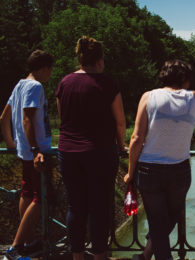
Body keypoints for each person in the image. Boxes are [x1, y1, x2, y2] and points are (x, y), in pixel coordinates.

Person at [124, 59, 195, 260]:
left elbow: (136, 138)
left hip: (148, 170)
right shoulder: (193, 98)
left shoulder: (148, 96)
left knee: (158, 220)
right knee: (169, 216)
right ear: (184, 78)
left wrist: (130, 171)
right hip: (179, 170)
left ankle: (145, 255)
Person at [56, 36, 126, 260]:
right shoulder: (107, 83)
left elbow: (62, 119)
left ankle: (76, 256)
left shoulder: (65, 82)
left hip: (68, 153)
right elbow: (120, 121)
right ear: (99, 61)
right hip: (99, 153)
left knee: (75, 208)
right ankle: (99, 256)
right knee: (100, 207)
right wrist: (121, 146)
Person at [0, 50, 54, 260]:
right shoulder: (35, 86)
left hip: (25, 152)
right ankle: (15, 248)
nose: (50, 73)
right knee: (40, 198)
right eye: (49, 69)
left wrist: (12, 143)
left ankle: (28, 242)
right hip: (36, 153)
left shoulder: (20, 85)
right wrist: (35, 150)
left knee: (27, 194)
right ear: (42, 68)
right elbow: (27, 119)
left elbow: (4, 117)